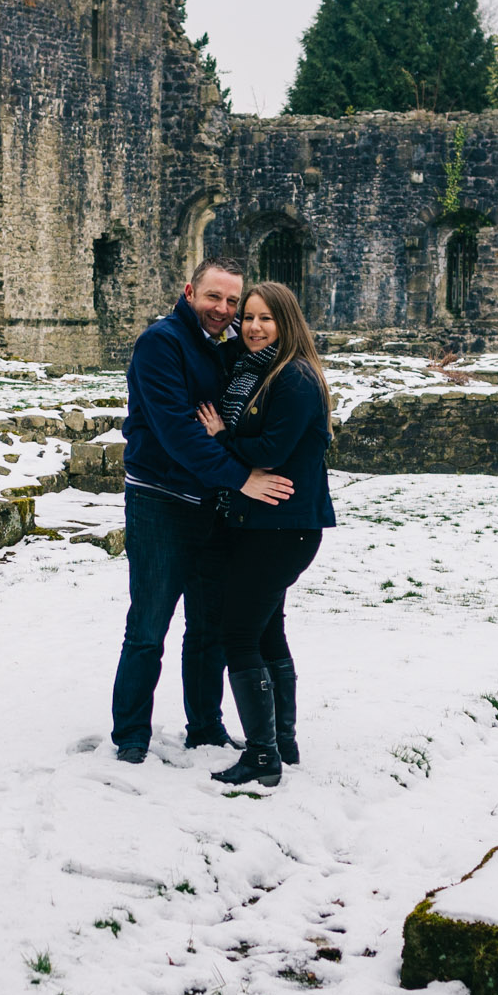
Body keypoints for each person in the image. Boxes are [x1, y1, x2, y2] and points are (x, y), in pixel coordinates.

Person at [110, 257, 293, 763]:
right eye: (215, 297)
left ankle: (206, 728)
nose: (225, 309)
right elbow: (177, 432)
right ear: (190, 291)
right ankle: (130, 736)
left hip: (212, 505)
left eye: (233, 301)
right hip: (160, 501)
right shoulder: (161, 343)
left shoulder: (227, 347)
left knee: (208, 626)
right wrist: (242, 477)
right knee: (149, 627)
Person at [193, 279, 334, 788]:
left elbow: (271, 451)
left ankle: (262, 757)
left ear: (286, 323)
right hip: (264, 523)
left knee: (239, 635)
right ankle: (284, 742)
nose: (252, 327)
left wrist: (222, 437)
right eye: (247, 317)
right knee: (268, 630)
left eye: (265, 319)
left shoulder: (292, 377)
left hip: (283, 526)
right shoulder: (253, 371)